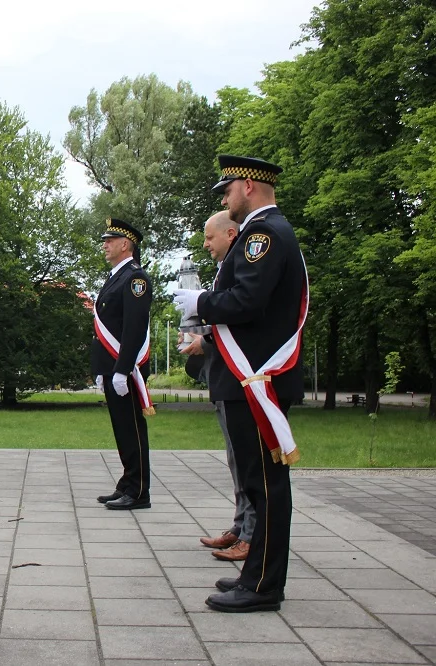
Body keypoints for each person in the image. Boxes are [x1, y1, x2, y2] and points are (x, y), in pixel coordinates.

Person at [174, 155, 308, 613]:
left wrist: (201, 300)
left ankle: (264, 586)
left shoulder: (263, 234)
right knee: (257, 483)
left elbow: (247, 301)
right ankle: (256, 576)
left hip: (257, 379)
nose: (225, 197)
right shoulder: (263, 232)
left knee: (265, 484)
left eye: (227, 189)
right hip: (250, 378)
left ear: (248, 186)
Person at [181, 211, 255, 563]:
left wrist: (204, 338)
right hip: (224, 375)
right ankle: (241, 527)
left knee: (247, 460)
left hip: (241, 376)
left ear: (230, 232)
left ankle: (252, 534)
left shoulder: (247, 261)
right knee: (234, 457)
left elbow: (244, 316)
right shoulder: (229, 265)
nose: (206, 244)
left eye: (210, 237)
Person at [91, 218, 155, 511]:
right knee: (122, 429)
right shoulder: (116, 277)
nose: (105, 245)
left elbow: (134, 328)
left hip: (124, 369)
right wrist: (101, 369)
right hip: (112, 367)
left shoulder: (135, 279)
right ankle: (128, 482)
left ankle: (140, 491)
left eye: (110, 240)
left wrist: (121, 368)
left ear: (125, 244)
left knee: (132, 428)